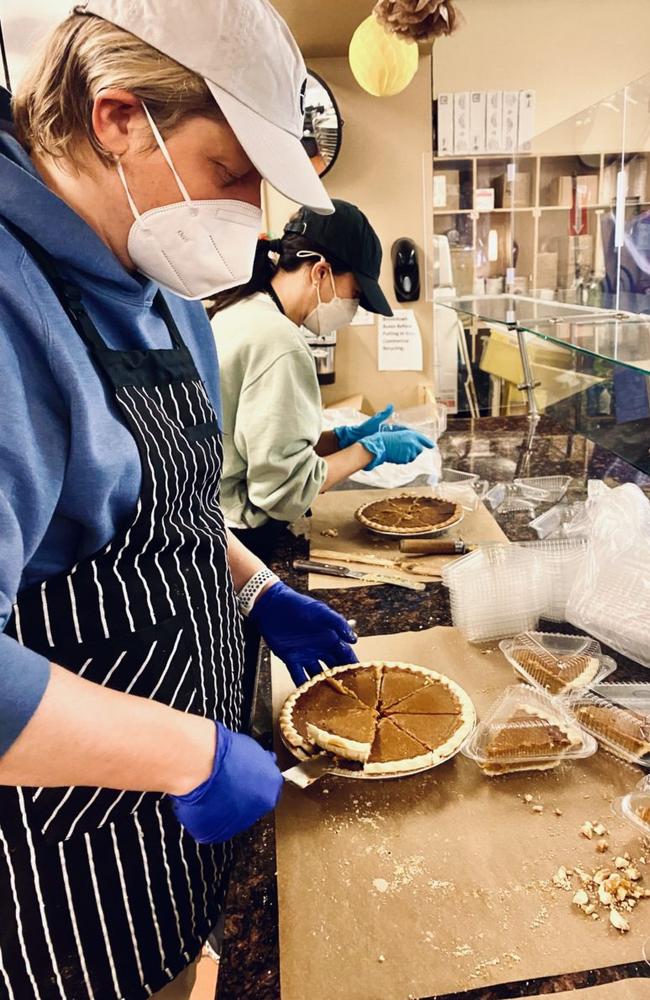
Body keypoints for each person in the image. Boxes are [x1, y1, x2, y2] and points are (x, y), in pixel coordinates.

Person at [0, 2, 360, 998]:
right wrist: (186, 750)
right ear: (117, 117)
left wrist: (252, 592)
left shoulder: (156, 286)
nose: (250, 214)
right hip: (73, 857)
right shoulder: (11, 308)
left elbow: (175, 505)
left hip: (176, 820)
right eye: (229, 171)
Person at [211, 200, 434, 559]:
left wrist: (338, 440)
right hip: (242, 541)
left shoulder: (245, 309)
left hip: (218, 525)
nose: (353, 308)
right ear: (320, 272)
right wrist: (368, 450)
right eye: (356, 295)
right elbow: (285, 492)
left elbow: (259, 443)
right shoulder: (278, 342)